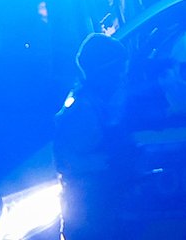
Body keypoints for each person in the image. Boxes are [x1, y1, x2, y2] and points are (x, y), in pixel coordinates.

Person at [54, 32, 132, 239]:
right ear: (104, 71)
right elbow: (70, 161)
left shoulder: (95, 103)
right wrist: (113, 161)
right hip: (87, 212)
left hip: (95, 208)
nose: (122, 76)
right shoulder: (83, 110)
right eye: (118, 70)